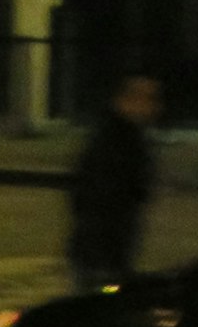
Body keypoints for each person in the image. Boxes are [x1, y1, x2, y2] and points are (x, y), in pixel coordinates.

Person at [66, 72, 161, 290]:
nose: (155, 107)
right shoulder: (115, 143)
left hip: (105, 251)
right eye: (148, 99)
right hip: (103, 255)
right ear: (127, 100)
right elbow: (102, 200)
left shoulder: (124, 137)